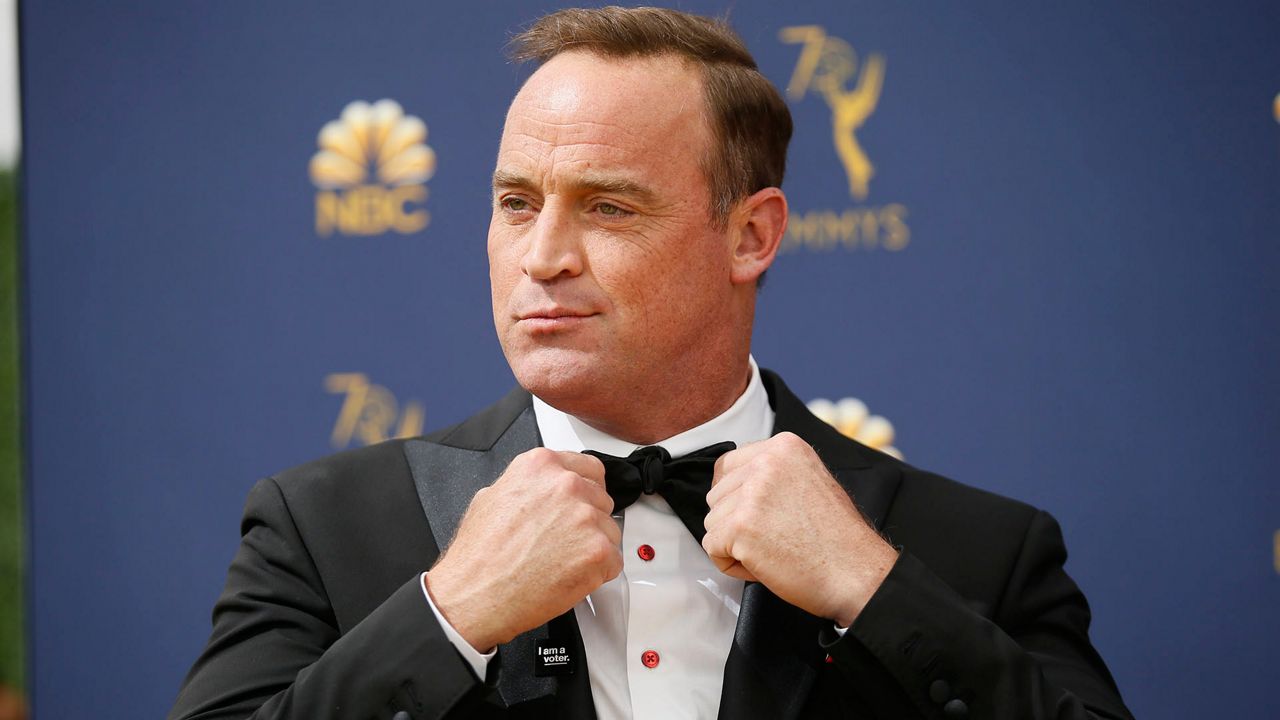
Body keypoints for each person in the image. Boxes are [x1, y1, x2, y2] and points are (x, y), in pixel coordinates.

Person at [169, 7, 1132, 720]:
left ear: (750, 236)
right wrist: (449, 615)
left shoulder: (975, 552)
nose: (543, 255)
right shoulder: (322, 531)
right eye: (516, 202)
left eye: (609, 208)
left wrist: (876, 592)